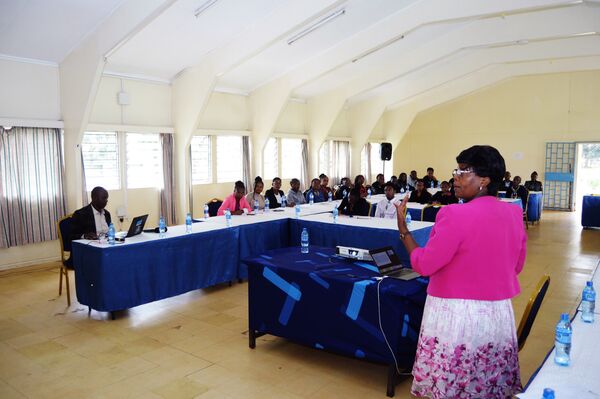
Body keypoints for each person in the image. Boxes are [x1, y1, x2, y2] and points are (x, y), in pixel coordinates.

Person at [394, 145, 525, 398]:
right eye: (456, 170)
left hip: (456, 316)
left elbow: (424, 265)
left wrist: (404, 231)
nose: (455, 177)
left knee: (455, 384)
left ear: (484, 180)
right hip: (496, 314)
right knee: (486, 382)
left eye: (464, 171)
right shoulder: (513, 212)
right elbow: (517, 266)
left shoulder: (453, 214)